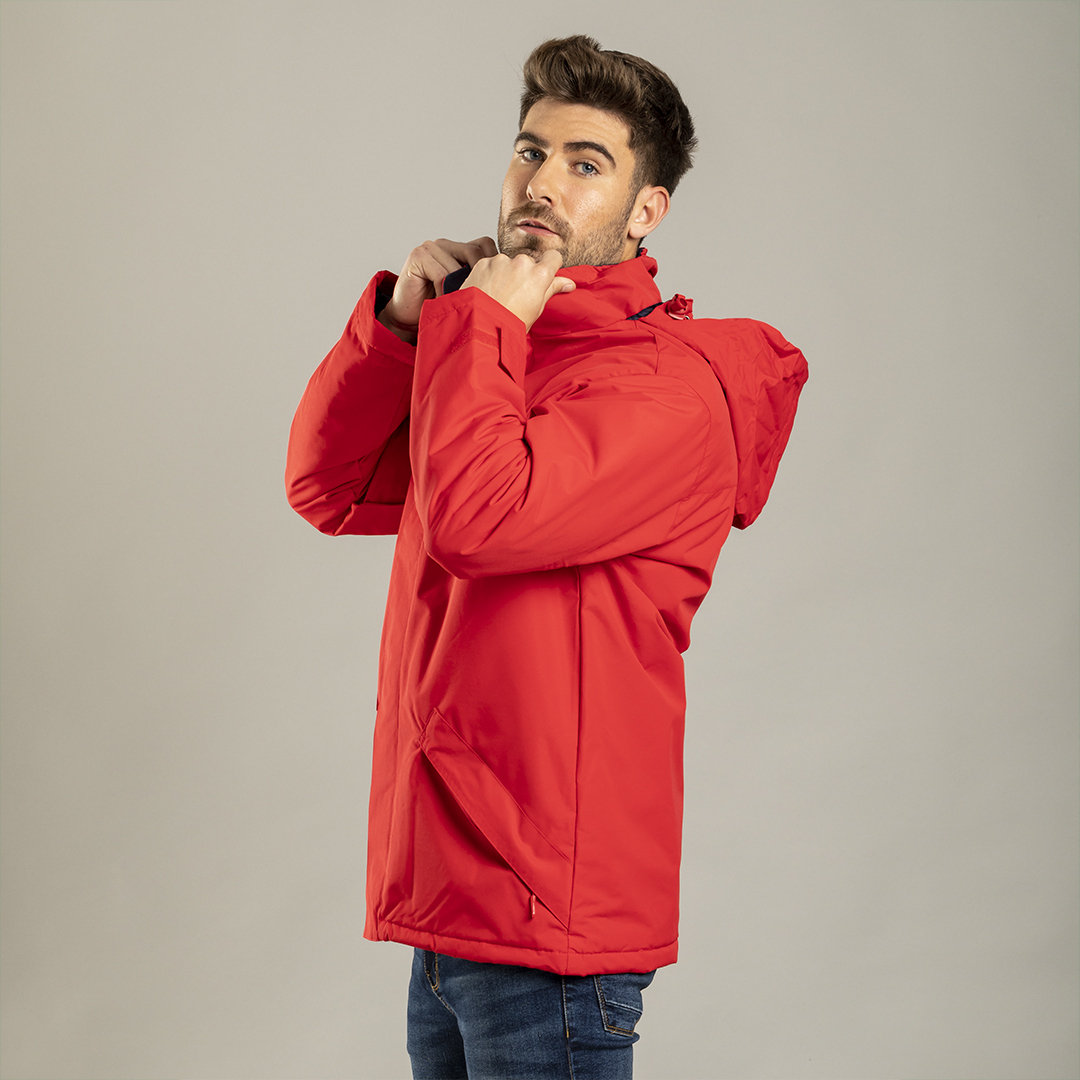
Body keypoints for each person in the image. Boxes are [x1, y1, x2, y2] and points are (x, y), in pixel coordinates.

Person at [286, 34, 807, 1080]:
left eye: (585, 163)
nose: (541, 183)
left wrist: (478, 325)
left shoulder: (669, 391)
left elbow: (478, 521)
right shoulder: (500, 355)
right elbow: (331, 488)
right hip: (453, 905)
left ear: (647, 210)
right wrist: (404, 327)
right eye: (530, 151)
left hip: (548, 924)